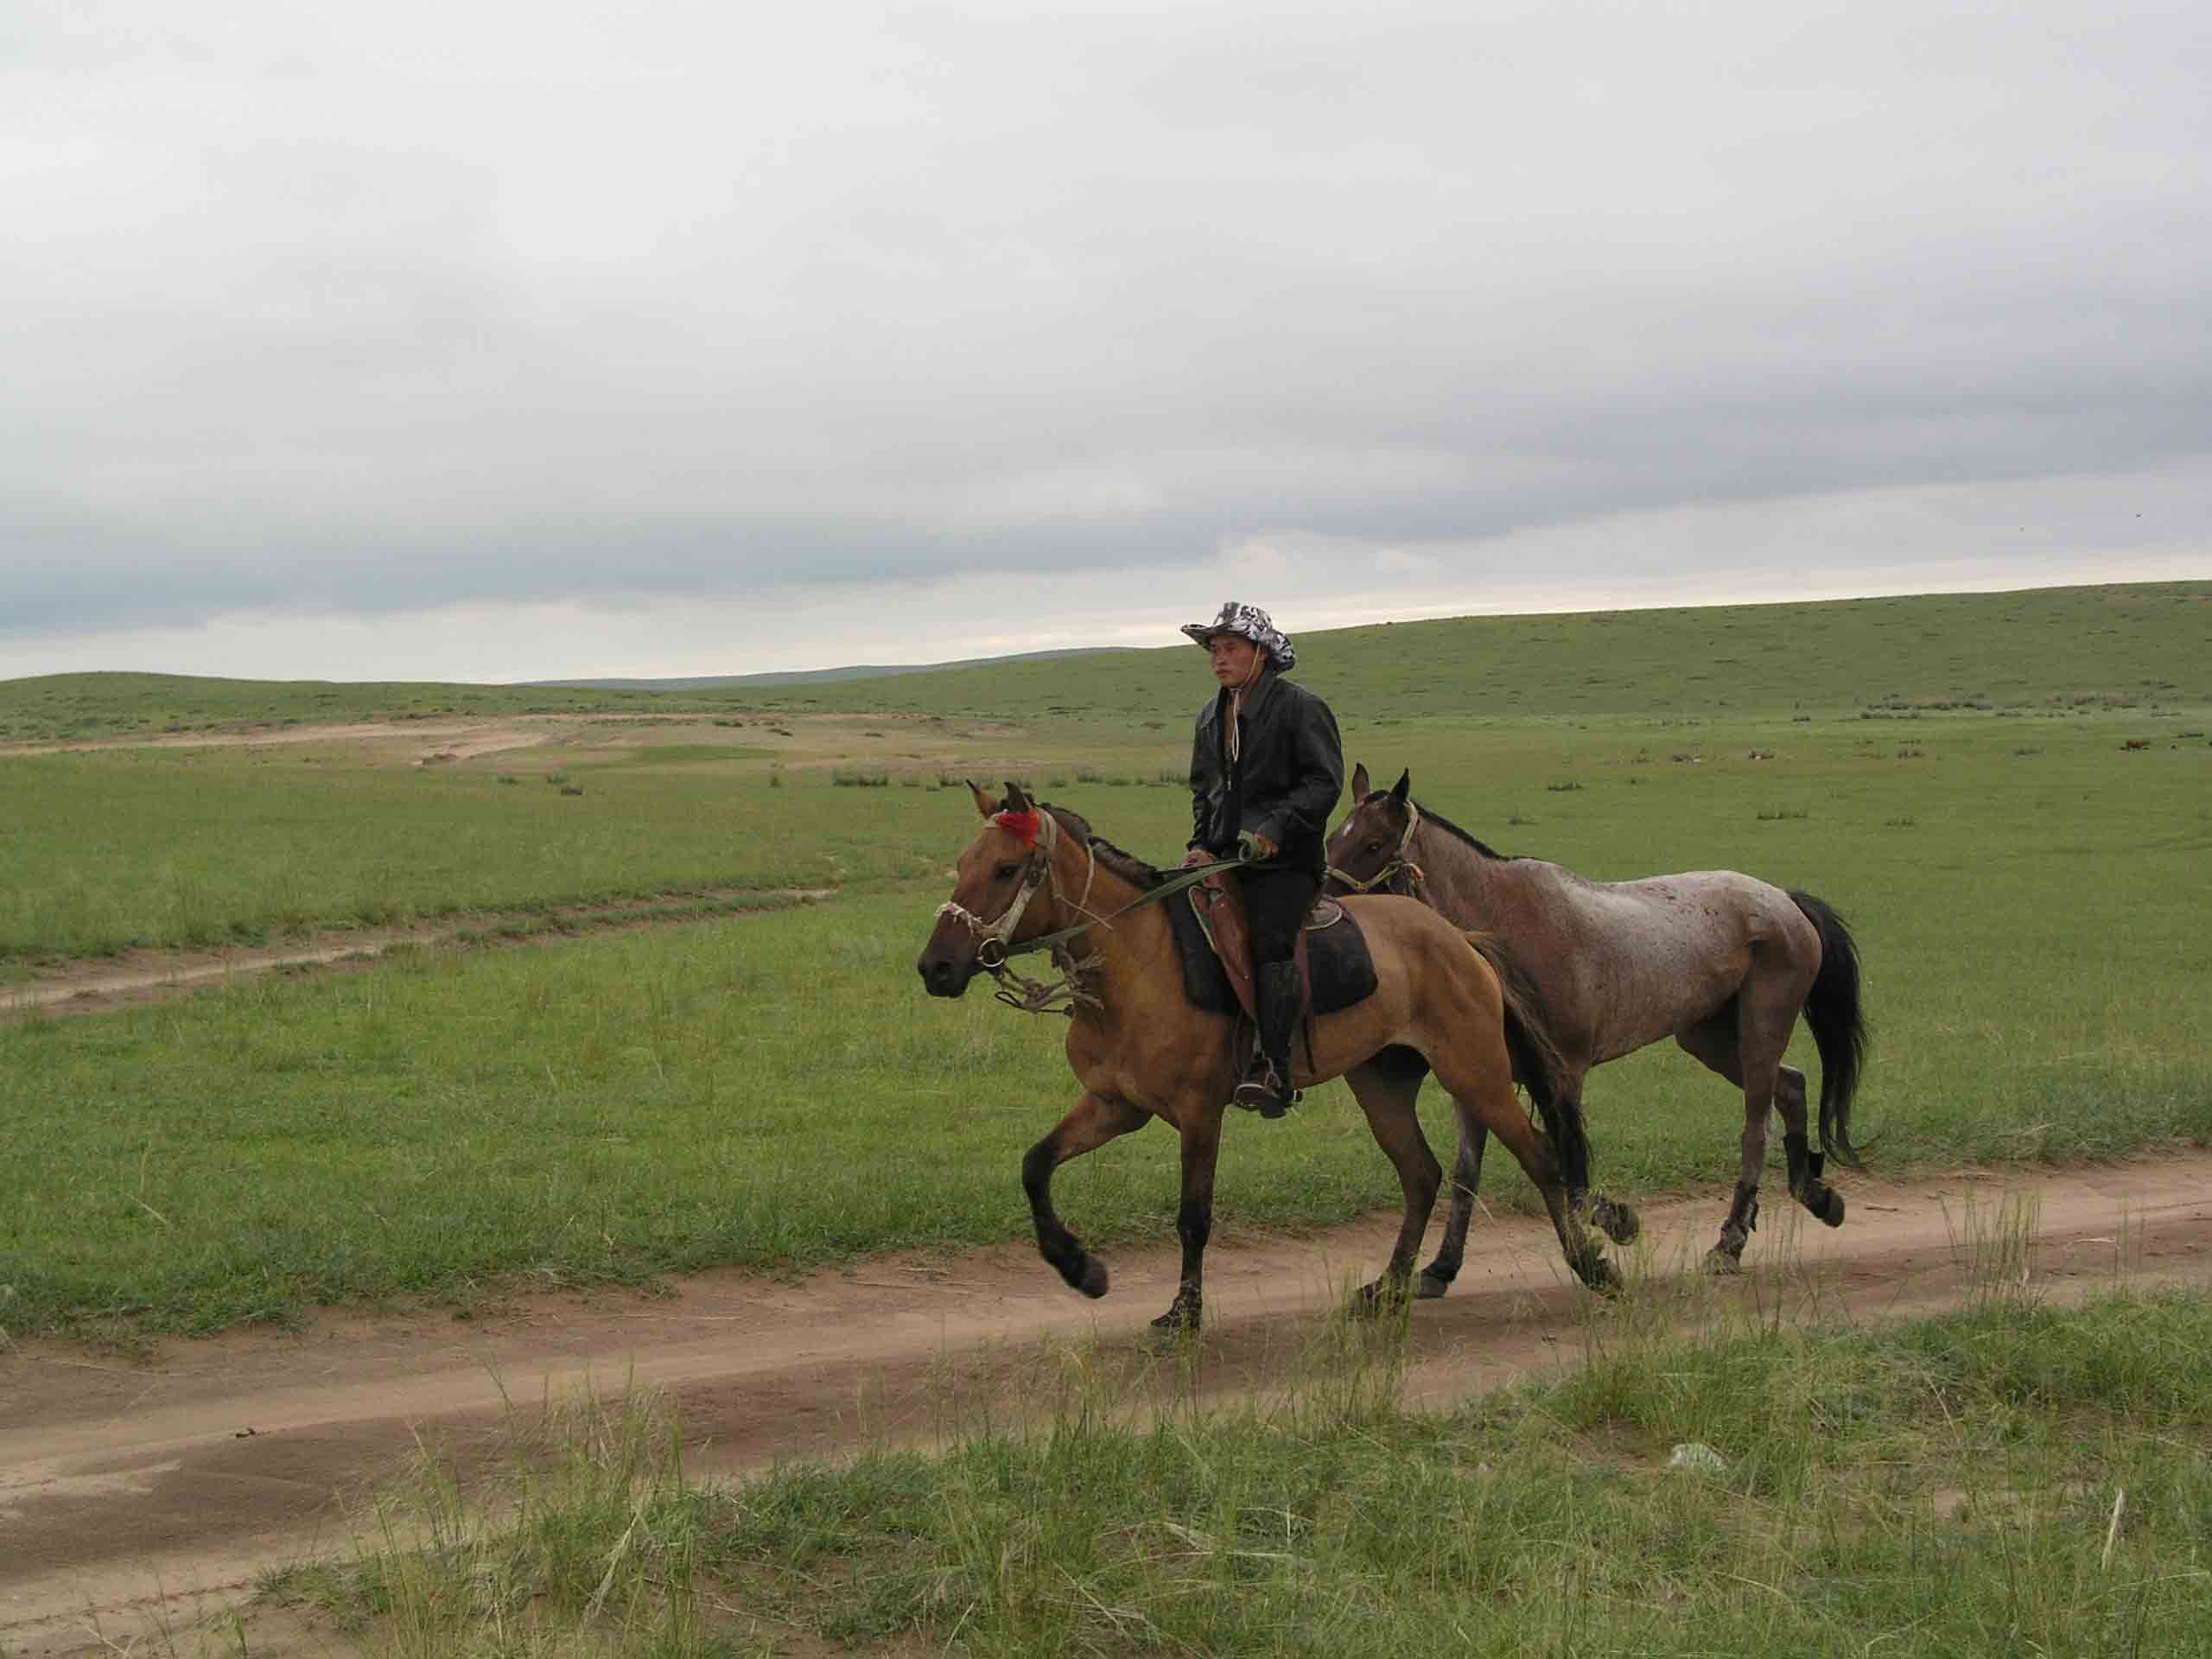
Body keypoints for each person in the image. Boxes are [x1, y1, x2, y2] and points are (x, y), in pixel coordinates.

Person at [1178, 601, 1344, 1115]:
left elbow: (1324, 782)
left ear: (1261, 654)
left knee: (1270, 943)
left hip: (1285, 863)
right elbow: (1205, 790)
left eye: (1230, 649)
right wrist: (1200, 843)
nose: (1218, 659)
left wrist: (1275, 828)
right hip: (1225, 858)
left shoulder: (1300, 707)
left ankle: (1276, 1068)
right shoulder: (1211, 715)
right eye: (1214, 650)